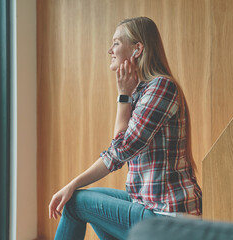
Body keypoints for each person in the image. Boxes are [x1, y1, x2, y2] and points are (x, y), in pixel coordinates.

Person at [49, 16, 202, 240]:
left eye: (116, 43)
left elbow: (120, 150)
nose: (110, 50)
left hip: (169, 218)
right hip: (150, 208)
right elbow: (118, 150)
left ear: (137, 49)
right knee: (86, 198)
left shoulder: (161, 87)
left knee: (75, 202)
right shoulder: (141, 93)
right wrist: (127, 96)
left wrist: (123, 97)